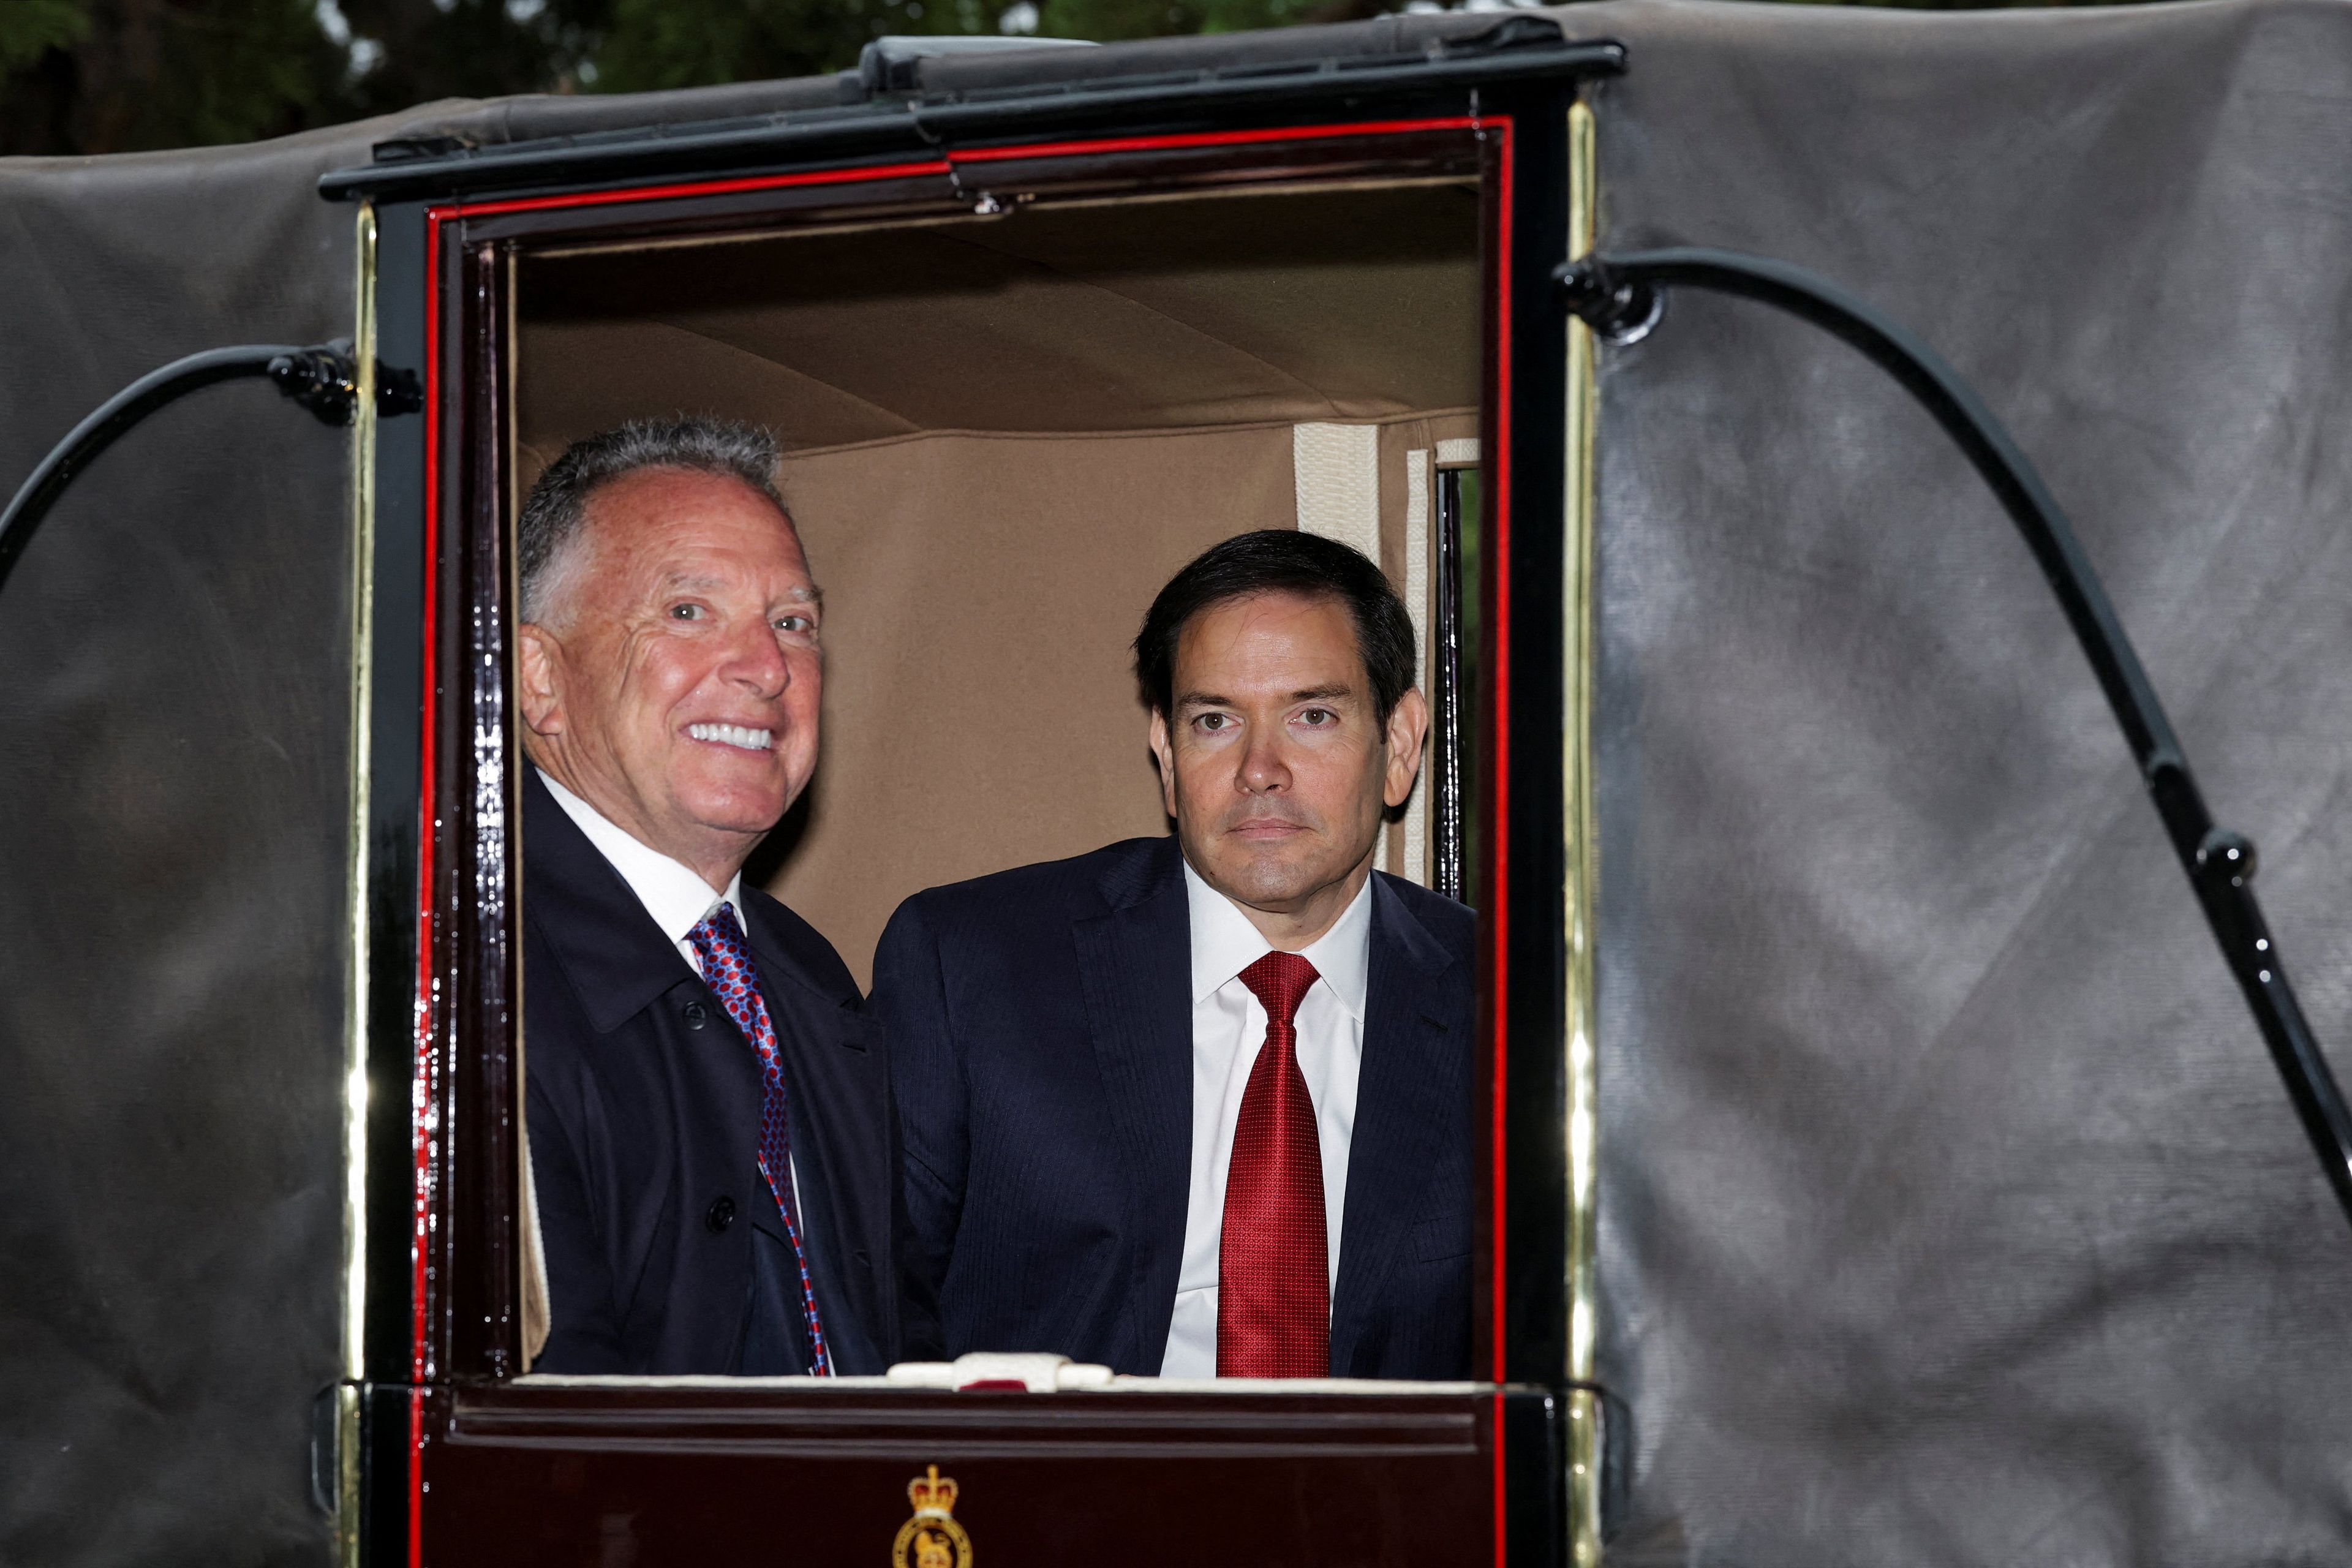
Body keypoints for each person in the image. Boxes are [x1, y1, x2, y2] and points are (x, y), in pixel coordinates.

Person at [874, 530, 1473, 1379]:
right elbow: (870, 1310)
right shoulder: (974, 967)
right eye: (1215, 720)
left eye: (1312, 715)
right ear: (1165, 752)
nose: (1260, 769)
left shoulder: (1512, 1006)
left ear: (1402, 744)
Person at [519, 417, 902, 1374]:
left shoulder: (805, 975)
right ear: (539, 680)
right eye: (689, 611)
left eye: (793, 623)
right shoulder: (467, 981)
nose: (768, 668)